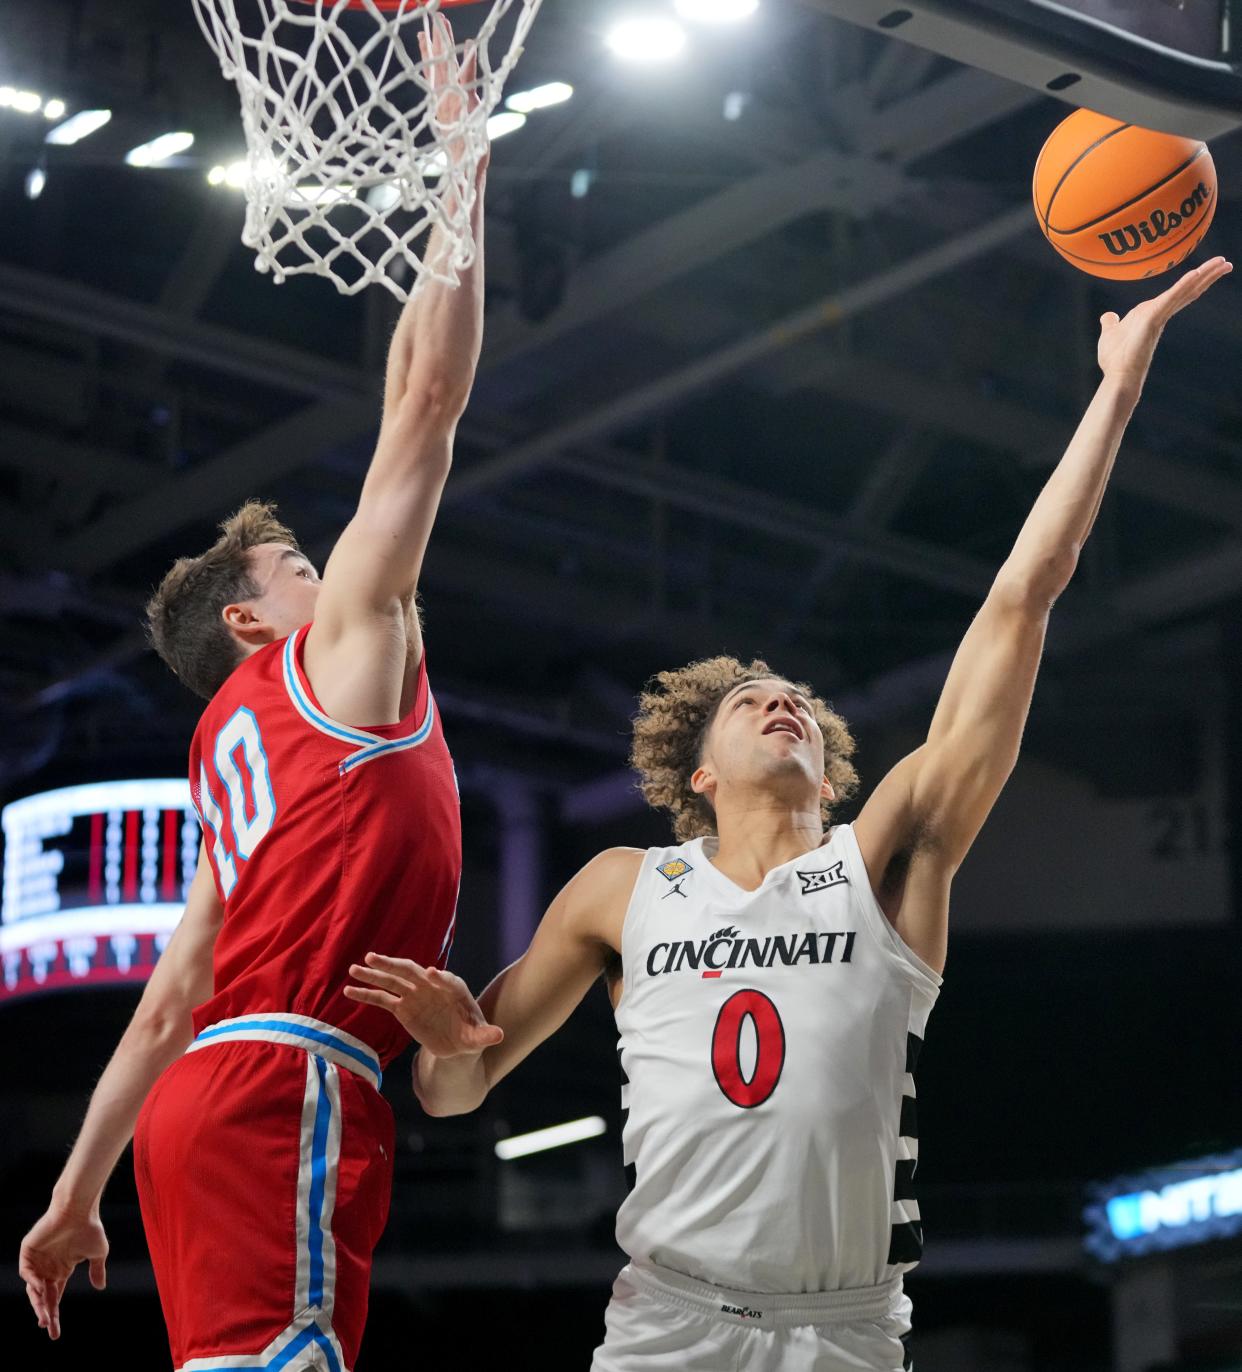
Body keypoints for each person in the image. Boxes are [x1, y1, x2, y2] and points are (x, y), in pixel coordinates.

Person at [344, 257, 1233, 1371]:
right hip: (667, 1323)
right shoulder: (627, 887)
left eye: (799, 703)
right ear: (698, 775)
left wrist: (1118, 388)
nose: (780, 701)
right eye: (748, 702)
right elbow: (454, 1088)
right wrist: (450, 1046)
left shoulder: (889, 855)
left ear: (829, 767)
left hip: (848, 1331)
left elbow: (1025, 590)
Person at [18, 19, 485, 1371]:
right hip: (285, 1081)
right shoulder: (335, 653)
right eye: (296, 566)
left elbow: (167, 1002)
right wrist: (462, 158)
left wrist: (72, 1190)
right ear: (248, 619)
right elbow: (429, 397)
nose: (324, 569)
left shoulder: (238, 769)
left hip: (202, 1094)